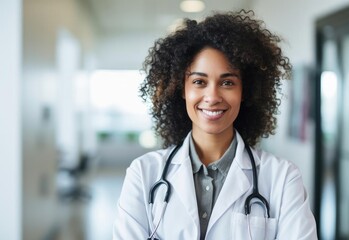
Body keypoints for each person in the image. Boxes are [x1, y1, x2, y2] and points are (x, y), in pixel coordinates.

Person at [113, 10, 317, 240]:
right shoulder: (143, 174)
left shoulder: (282, 178)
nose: (212, 96)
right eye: (199, 82)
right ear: (182, 89)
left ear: (244, 91)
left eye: (227, 82)